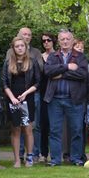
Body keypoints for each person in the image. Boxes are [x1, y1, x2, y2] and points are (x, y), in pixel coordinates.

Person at [44, 29, 88, 166]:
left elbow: (82, 74)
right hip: (55, 100)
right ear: (58, 41)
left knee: (76, 130)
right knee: (55, 131)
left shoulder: (80, 57)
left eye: (67, 39)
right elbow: (48, 71)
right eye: (62, 39)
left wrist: (62, 74)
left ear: (72, 40)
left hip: (74, 99)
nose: (65, 41)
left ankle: (75, 158)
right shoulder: (52, 56)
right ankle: (55, 160)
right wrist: (67, 66)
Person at [2, 36, 41, 167]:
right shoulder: (8, 62)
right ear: (13, 48)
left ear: (26, 47)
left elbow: (37, 82)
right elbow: (4, 83)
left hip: (27, 98)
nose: (20, 48)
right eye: (17, 46)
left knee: (28, 129)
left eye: (22, 46)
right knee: (16, 129)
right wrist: (12, 98)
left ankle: (29, 157)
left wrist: (25, 93)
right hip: (12, 99)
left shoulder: (32, 61)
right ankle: (17, 159)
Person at [37, 32, 57, 162]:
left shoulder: (58, 55)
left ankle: (56, 153)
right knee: (43, 124)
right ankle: (44, 153)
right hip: (42, 93)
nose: (46, 43)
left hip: (56, 92)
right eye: (43, 41)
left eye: (48, 40)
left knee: (55, 125)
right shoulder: (39, 57)